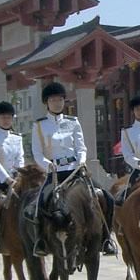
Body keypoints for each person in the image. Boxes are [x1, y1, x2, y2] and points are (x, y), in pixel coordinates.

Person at [31, 81, 87, 257]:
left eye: (60, 99)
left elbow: (81, 147)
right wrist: (48, 164)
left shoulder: (73, 122)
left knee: (103, 196)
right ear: (46, 102)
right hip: (54, 173)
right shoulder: (39, 126)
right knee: (41, 203)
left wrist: (82, 161)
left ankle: (105, 237)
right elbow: (37, 152)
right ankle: (41, 240)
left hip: (74, 170)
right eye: (53, 100)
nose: (57, 103)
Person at [0, 101, 25, 256]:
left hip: (17, 179)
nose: (6, 120)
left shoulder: (18, 137)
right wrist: (7, 179)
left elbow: (20, 158)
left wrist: (19, 174)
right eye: (3, 117)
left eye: (9, 117)